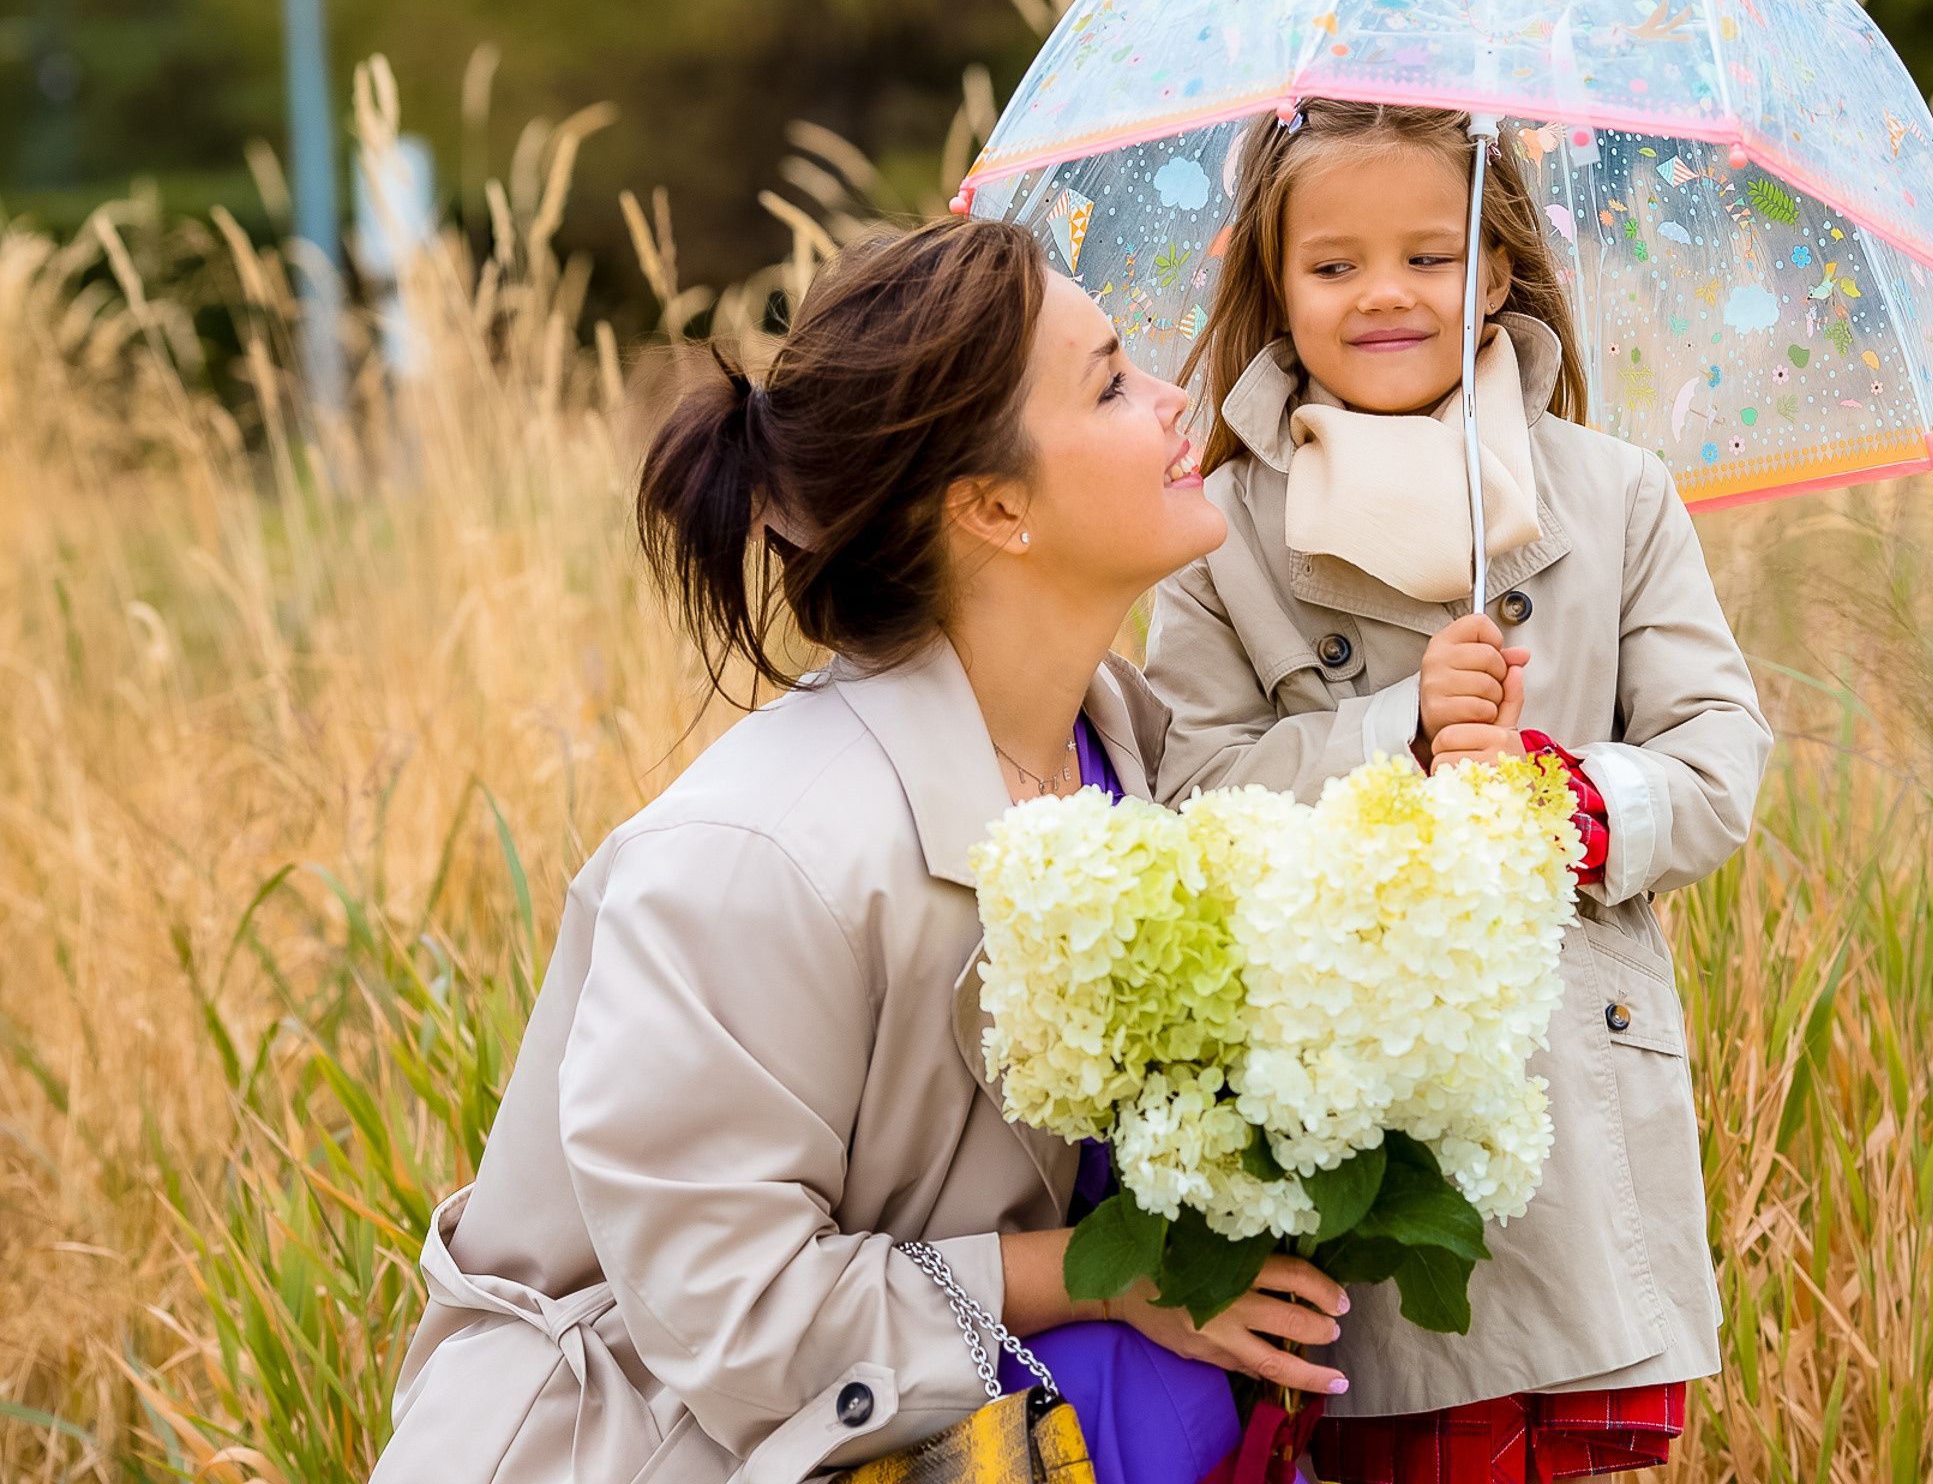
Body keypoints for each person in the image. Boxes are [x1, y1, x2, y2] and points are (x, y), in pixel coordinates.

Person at [371, 219, 1349, 1484]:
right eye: (1110, 382)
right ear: (993, 506)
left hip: (982, 1423)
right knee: (1164, 1380)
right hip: (673, 1447)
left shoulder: (1125, 753)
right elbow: (738, 1313)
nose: (1173, 401)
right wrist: (1106, 1283)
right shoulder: (757, 857)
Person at [1143, 101, 1774, 1481]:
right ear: (1274, 279)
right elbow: (1189, 788)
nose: (1384, 294)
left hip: (1567, 1099)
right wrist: (1397, 736)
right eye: (1334, 265)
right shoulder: (1218, 526)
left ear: (1495, 273)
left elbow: (1719, 756)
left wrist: (1563, 794)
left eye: (1430, 257)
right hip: (1347, 1115)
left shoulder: (1615, 497)